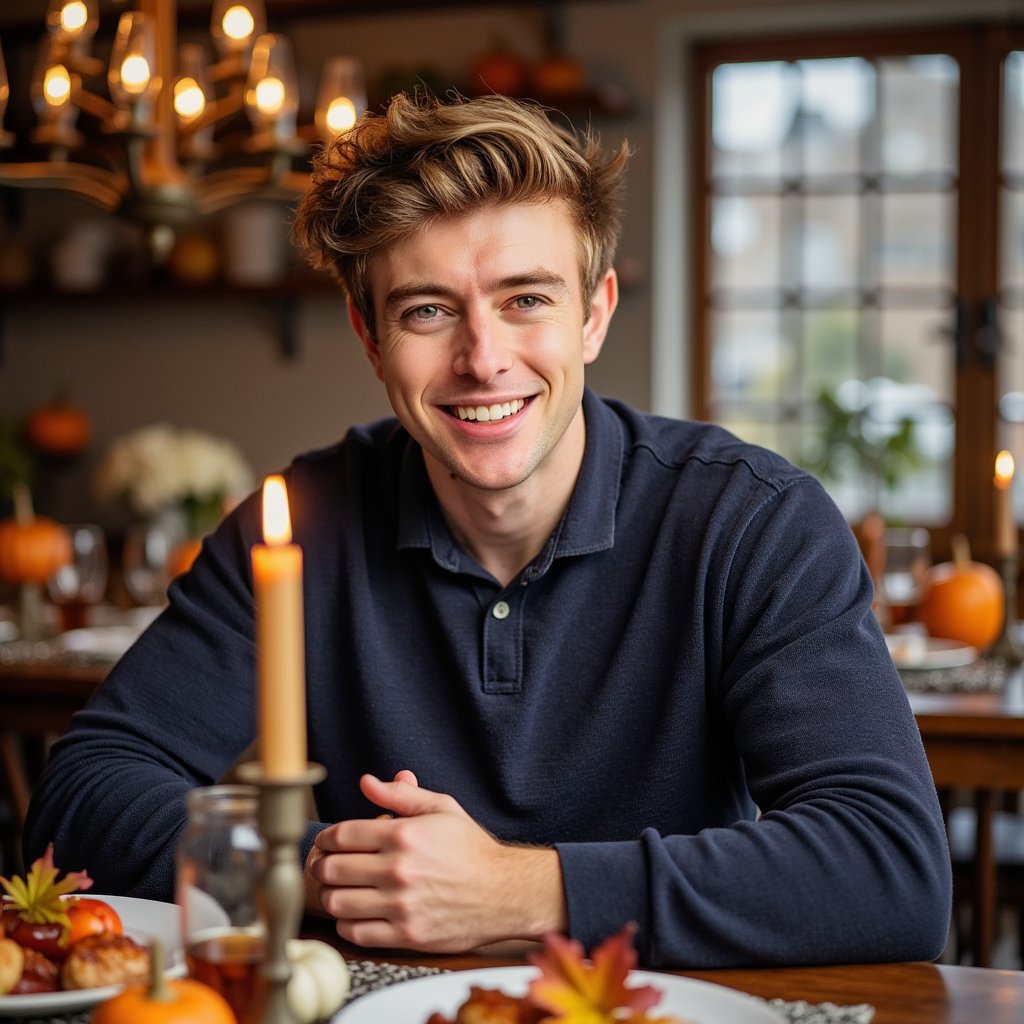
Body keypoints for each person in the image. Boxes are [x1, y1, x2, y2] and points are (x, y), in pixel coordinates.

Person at [25, 92, 951, 968]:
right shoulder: (296, 526)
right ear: (369, 336)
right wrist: (334, 870)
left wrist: (520, 890)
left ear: (594, 314)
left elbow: (891, 869)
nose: (482, 358)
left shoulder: (753, 521)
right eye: (427, 310)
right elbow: (76, 805)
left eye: (527, 299)